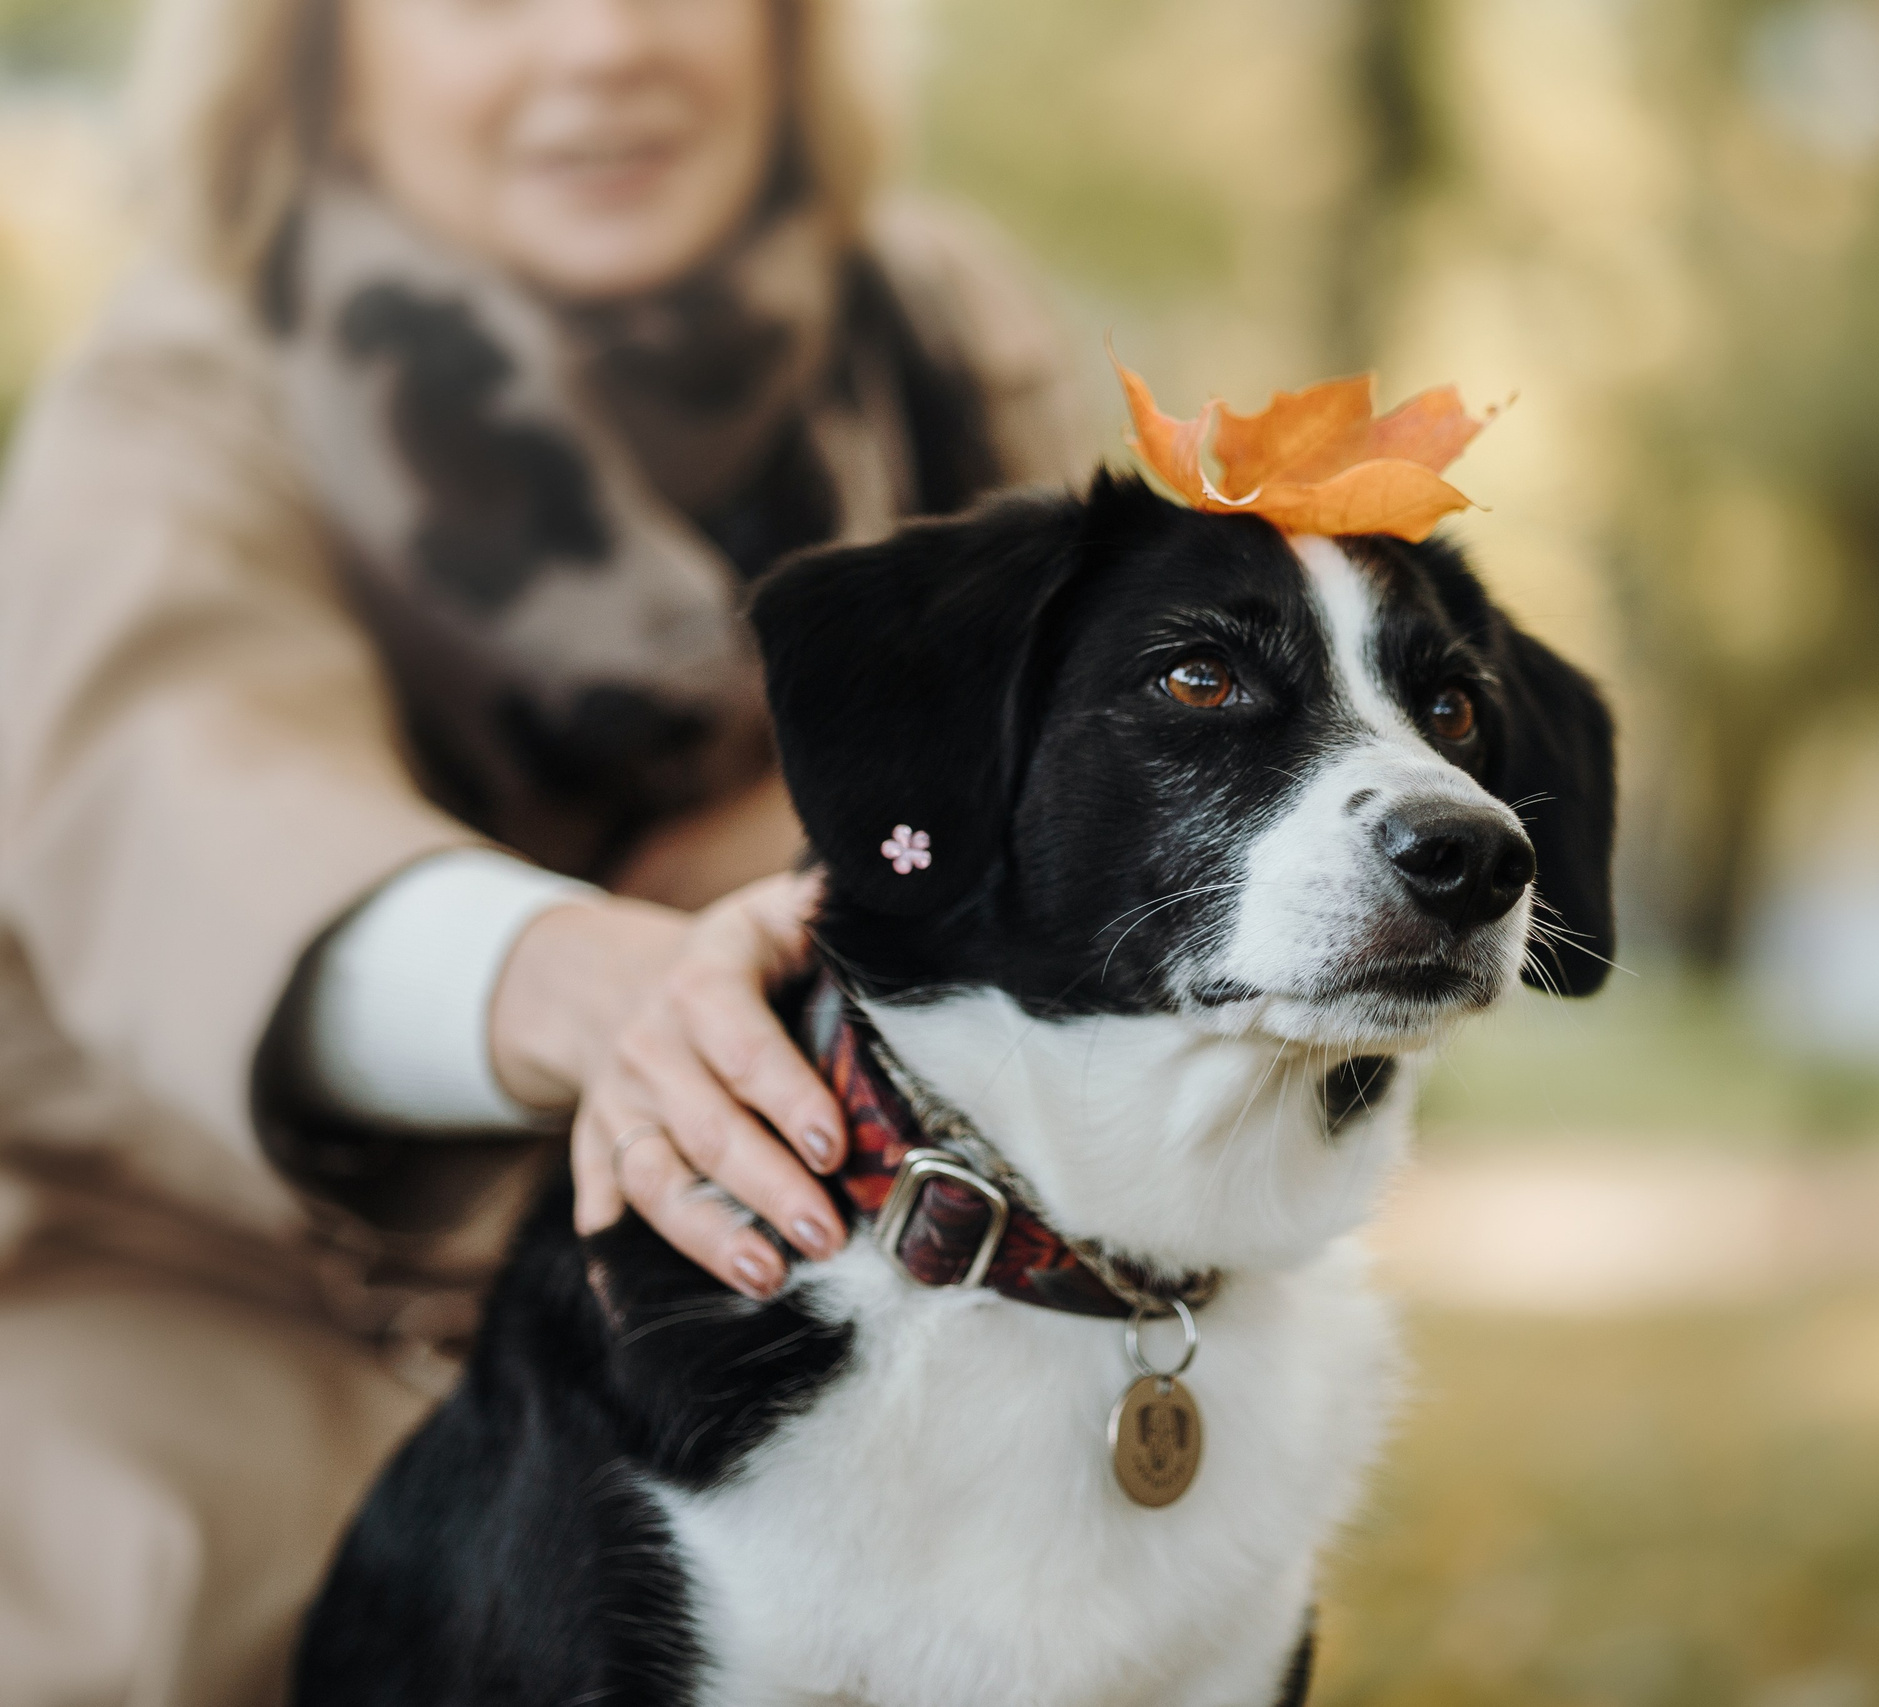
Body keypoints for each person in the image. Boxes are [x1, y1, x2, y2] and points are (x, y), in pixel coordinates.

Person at [0, 0, 1085, 1696]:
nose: (601, 45)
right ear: (312, 47)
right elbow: (184, 798)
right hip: (224, 1295)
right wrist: (603, 985)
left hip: (808, 1307)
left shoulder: (947, 350)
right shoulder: (192, 383)